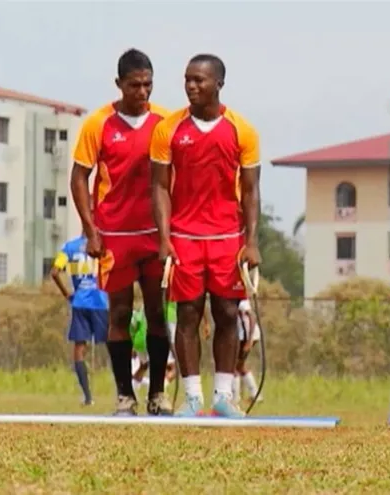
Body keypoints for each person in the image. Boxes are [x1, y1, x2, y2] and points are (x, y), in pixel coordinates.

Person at [151, 54, 261, 418]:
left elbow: (251, 190)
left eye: (199, 79)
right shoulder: (168, 129)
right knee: (188, 313)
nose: (191, 86)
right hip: (184, 236)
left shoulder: (242, 130)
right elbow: (159, 187)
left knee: (227, 312)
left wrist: (252, 242)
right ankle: (193, 398)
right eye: (188, 79)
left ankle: (224, 397)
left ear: (219, 83)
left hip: (228, 237)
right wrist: (164, 238)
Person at [70, 48, 172, 416]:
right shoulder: (98, 123)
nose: (142, 92)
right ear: (119, 84)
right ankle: (125, 396)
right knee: (120, 314)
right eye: (134, 85)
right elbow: (79, 178)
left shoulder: (164, 122)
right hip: (115, 235)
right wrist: (91, 230)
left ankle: (158, 394)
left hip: (154, 233)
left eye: (148, 85)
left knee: (157, 313)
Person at [51, 235, 109, 406]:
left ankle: (87, 397)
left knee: (79, 348)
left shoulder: (69, 247)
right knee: (114, 345)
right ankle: (124, 392)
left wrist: (66, 294)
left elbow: (54, 272)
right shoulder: (105, 244)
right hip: (101, 301)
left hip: (80, 302)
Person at [232, 299, 261, 404]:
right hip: (242, 336)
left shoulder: (240, 300)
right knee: (240, 366)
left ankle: (235, 399)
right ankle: (255, 394)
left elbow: (252, 316)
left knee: (233, 366)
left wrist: (249, 340)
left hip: (246, 337)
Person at [129, 306, 150, 393]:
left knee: (144, 366)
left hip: (139, 342)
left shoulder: (139, 313)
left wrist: (133, 343)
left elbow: (132, 327)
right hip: (149, 340)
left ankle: (132, 390)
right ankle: (154, 393)